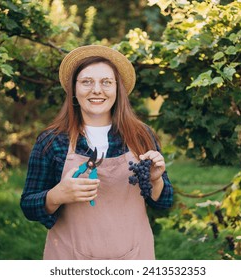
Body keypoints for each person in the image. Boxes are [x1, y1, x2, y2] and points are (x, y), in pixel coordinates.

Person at [20, 45, 173, 260]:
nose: (97, 90)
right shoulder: (53, 141)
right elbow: (28, 206)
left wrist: (156, 181)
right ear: (74, 89)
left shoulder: (140, 136)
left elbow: (164, 202)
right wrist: (57, 195)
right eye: (87, 82)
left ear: (117, 89)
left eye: (106, 82)